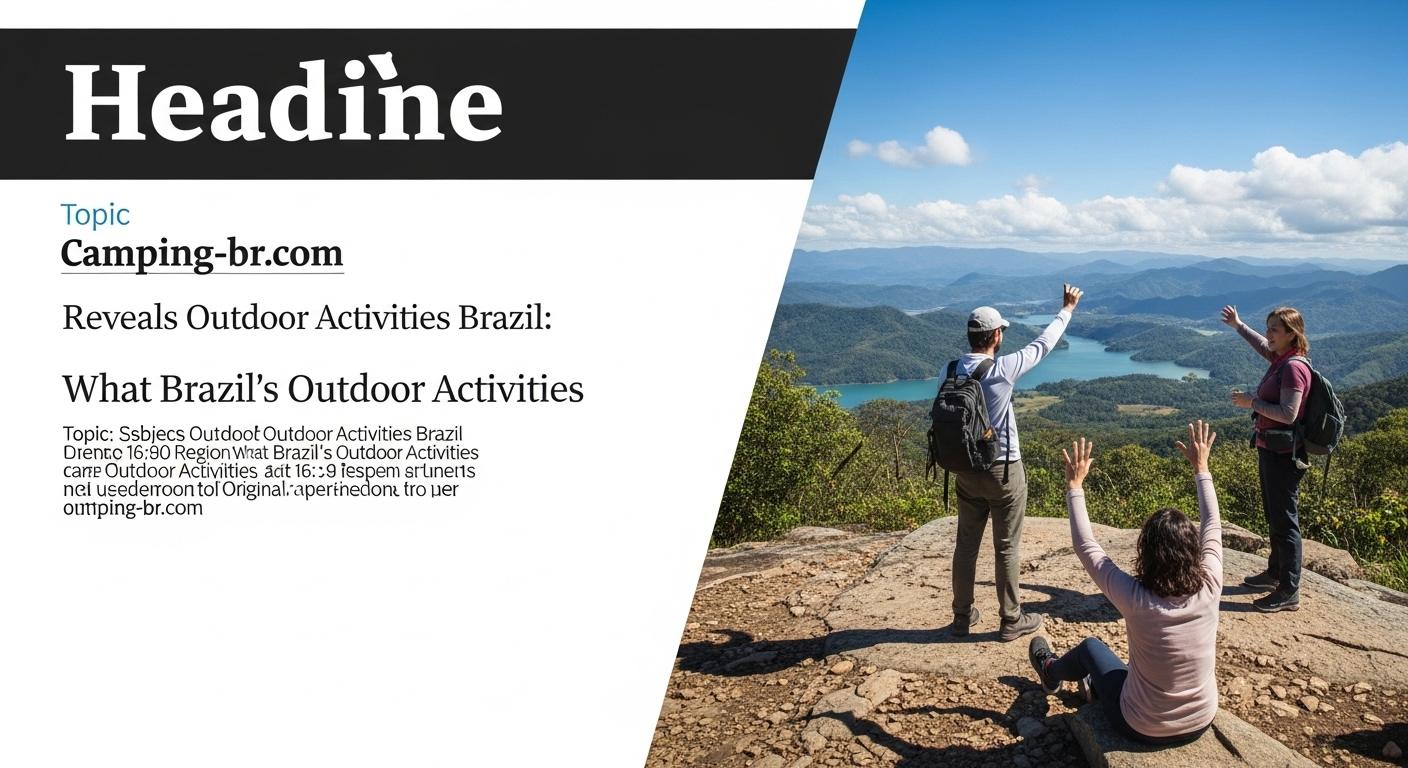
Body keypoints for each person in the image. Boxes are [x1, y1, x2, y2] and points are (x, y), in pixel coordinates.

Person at [1028, 421, 1222, 744]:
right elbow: (1213, 523)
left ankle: (1050, 672)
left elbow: (1086, 546)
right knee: (1123, 670)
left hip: (1141, 725)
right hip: (1201, 719)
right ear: (1194, 550)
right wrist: (1201, 467)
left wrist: (1074, 486)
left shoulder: (1136, 598)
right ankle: (1091, 687)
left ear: (1146, 553)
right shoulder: (1211, 584)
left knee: (1091, 648)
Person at [950, 282, 1082, 642]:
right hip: (1003, 470)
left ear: (970, 336)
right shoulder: (1002, 369)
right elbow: (1044, 344)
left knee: (966, 546)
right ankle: (1010, 619)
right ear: (996, 336)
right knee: (1006, 546)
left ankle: (961, 617)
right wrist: (1067, 309)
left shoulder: (952, 370)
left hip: (965, 470)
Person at [1222, 304, 1311, 613]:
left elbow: (1288, 414)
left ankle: (1289, 590)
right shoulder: (1280, 358)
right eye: (1268, 327)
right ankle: (1275, 573)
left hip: (1284, 456)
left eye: (1274, 329)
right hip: (1271, 450)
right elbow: (1262, 345)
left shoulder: (1293, 368)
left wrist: (1252, 402)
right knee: (1274, 515)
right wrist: (1238, 325)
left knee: (1285, 520)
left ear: (1291, 334)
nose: (1268, 334)